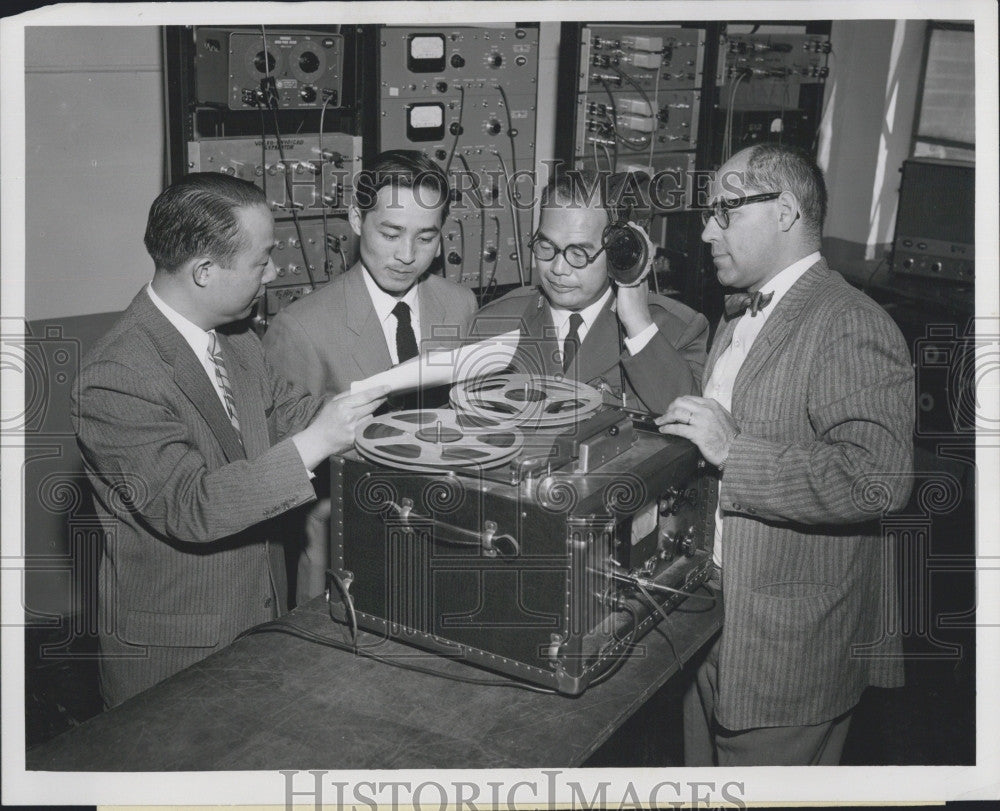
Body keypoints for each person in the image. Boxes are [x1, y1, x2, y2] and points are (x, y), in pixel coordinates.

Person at [71, 173, 388, 708]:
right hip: (177, 657)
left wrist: (398, 431)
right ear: (204, 271)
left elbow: (293, 412)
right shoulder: (115, 378)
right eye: (261, 260)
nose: (276, 270)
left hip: (258, 624)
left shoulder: (236, 340)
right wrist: (318, 441)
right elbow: (192, 507)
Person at [656, 143, 914, 765]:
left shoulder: (850, 322)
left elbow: (876, 479)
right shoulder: (741, 311)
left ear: (786, 211)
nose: (705, 228)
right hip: (712, 623)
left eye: (724, 210)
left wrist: (734, 452)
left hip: (789, 654)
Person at [263, 150, 477, 603]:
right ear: (358, 219)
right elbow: (279, 471)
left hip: (446, 533)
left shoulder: (460, 305)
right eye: (391, 232)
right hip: (345, 551)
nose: (406, 255)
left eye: (425, 237)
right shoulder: (300, 329)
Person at [467, 167, 708, 413]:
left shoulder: (675, 331)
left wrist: (638, 324)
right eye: (546, 246)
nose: (558, 268)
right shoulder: (492, 325)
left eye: (578, 253)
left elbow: (687, 419)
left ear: (617, 251)